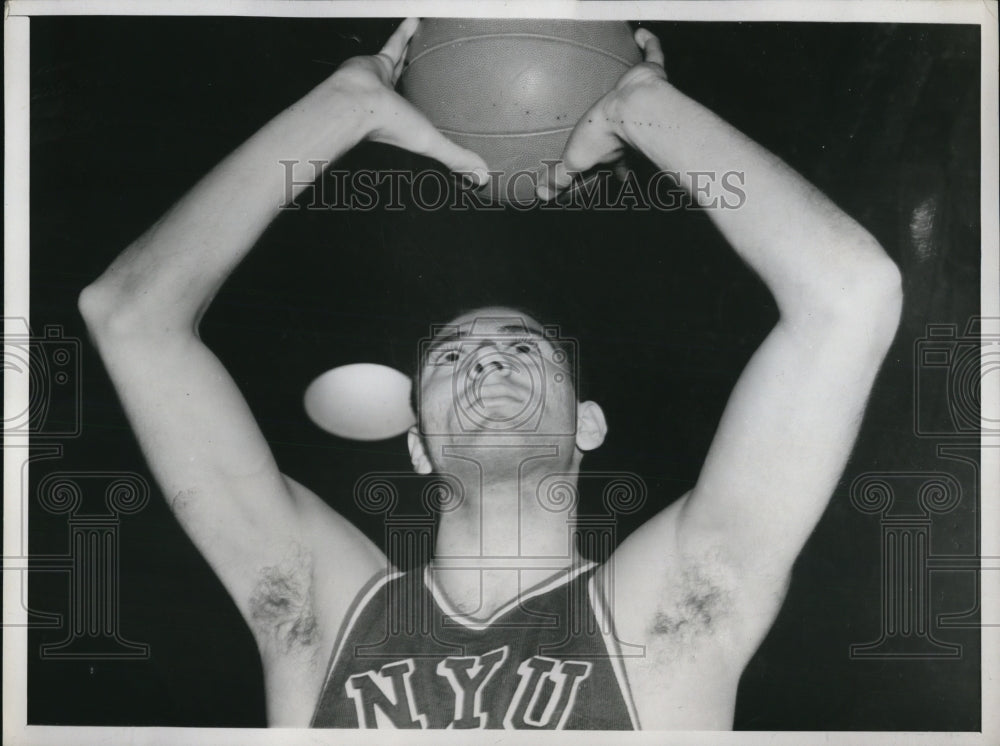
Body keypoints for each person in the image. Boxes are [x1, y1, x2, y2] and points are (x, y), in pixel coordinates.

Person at [78, 19, 902, 729]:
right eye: (450, 357)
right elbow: (129, 315)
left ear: (588, 422)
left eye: (527, 350)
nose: (488, 359)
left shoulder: (670, 611)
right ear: (416, 444)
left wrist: (642, 108)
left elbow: (850, 293)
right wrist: (344, 107)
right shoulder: (327, 615)